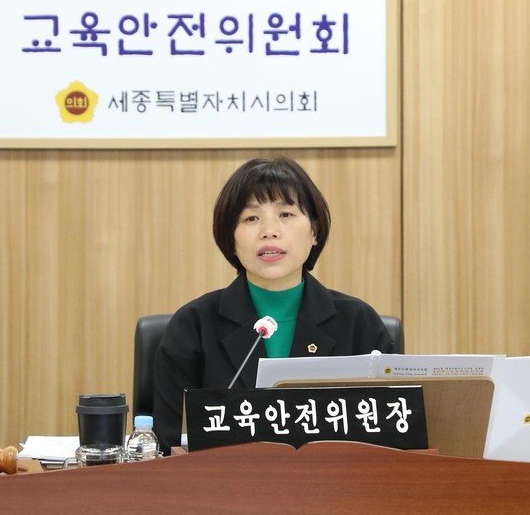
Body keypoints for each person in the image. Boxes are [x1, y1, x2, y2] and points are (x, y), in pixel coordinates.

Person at [152, 156, 394, 453]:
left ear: (315, 232)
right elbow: (169, 447)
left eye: (286, 214)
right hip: (223, 482)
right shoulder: (193, 326)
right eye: (251, 218)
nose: (269, 230)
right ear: (230, 239)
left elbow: (393, 438)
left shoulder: (359, 324)